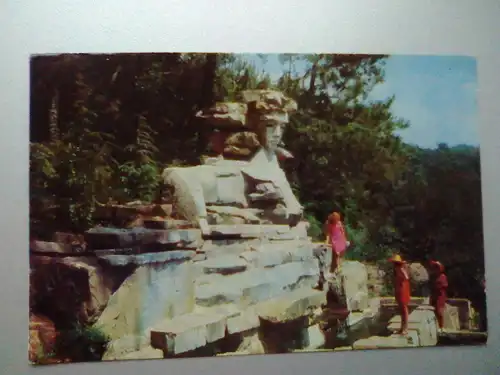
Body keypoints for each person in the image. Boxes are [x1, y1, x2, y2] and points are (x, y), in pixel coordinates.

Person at [389, 254, 411, 335]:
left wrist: (402, 270)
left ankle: (405, 328)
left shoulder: (401, 268)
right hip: (399, 290)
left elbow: (406, 278)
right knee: (401, 310)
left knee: (404, 309)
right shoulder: (396, 269)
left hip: (403, 290)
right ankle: (402, 328)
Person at [429, 260, 449, 333]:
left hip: (440, 295)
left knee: (439, 311)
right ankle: (438, 326)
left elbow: (445, 285)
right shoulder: (433, 277)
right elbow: (431, 287)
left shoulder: (443, 276)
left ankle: (442, 326)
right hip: (434, 295)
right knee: (435, 311)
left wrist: (439, 287)